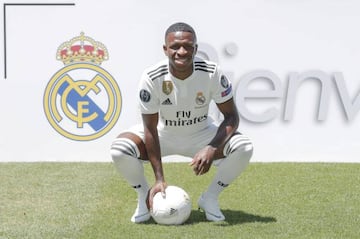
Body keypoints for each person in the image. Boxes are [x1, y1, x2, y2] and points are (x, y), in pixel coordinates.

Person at [110, 22, 253, 223]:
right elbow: (150, 128)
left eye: (188, 46)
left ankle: (210, 198)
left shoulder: (211, 72)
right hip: (163, 135)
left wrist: (211, 147)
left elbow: (232, 117)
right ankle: (144, 196)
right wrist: (159, 178)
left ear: (196, 48)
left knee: (244, 147)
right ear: (165, 49)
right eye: (175, 46)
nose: (182, 51)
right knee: (120, 149)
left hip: (201, 134)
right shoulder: (152, 76)